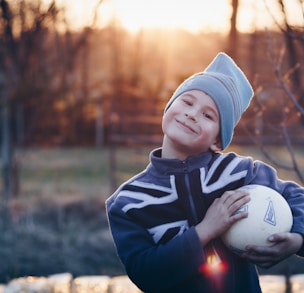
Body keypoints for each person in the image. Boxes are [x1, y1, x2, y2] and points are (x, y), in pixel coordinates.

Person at [106, 52, 304, 293]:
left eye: (208, 115)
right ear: (168, 107)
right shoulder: (128, 202)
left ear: (217, 141)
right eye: (187, 102)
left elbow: (297, 198)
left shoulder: (239, 174)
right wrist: (204, 231)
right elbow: (145, 273)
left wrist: (298, 239)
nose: (192, 113)